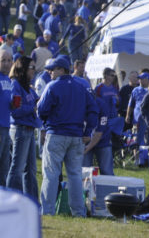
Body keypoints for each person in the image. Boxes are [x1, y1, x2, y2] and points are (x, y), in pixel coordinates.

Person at [37, 56, 99, 217]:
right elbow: (93, 111)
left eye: (53, 69)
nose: (50, 72)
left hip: (56, 134)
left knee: (51, 174)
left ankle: (47, 211)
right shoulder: (81, 87)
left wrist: (46, 120)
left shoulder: (52, 86)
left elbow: (42, 110)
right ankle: (79, 212)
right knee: (75, 175)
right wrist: (87, 132)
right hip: (76, 136)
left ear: (61, 70)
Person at [7, 55, 39, 197]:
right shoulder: (15, 85)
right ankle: (14, 199)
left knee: (31, 169)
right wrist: (31, 109)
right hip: (20, 129)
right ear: (23, 68)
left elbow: (36, 101)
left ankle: (31, 201)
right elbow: (15, 112)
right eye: (31, 67)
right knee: (17, 168)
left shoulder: (28, 88)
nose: (34, 70)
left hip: (29, 130)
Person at [0, 50, 13, 183]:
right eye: (3, 60)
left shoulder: (8, 79)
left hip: (6, 127)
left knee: (4, 168)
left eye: (9, 60)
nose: (6, 63)